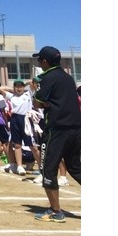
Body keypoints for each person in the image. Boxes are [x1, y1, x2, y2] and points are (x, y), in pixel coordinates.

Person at [31, 46, 81, 223]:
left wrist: (34, 89)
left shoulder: (47, 77)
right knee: (76, 167)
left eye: (40, 60)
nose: (39, 63)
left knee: (47, 169)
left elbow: (37, 102)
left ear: (45, 61)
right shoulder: (67, 77)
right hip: (75, 128)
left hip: (56, 129)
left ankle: (56, 211)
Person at [0, 79, 34, 175]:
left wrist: (24, 84)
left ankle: (40, 167)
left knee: (32, 145)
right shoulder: (11, 96)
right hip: (15, 119)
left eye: (21, 86)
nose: (19, 89)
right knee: (17, 144)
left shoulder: (28, 94)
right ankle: (19, 166)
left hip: (26, 119)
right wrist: (12, 89)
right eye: (17, 86)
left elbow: (32, 82)